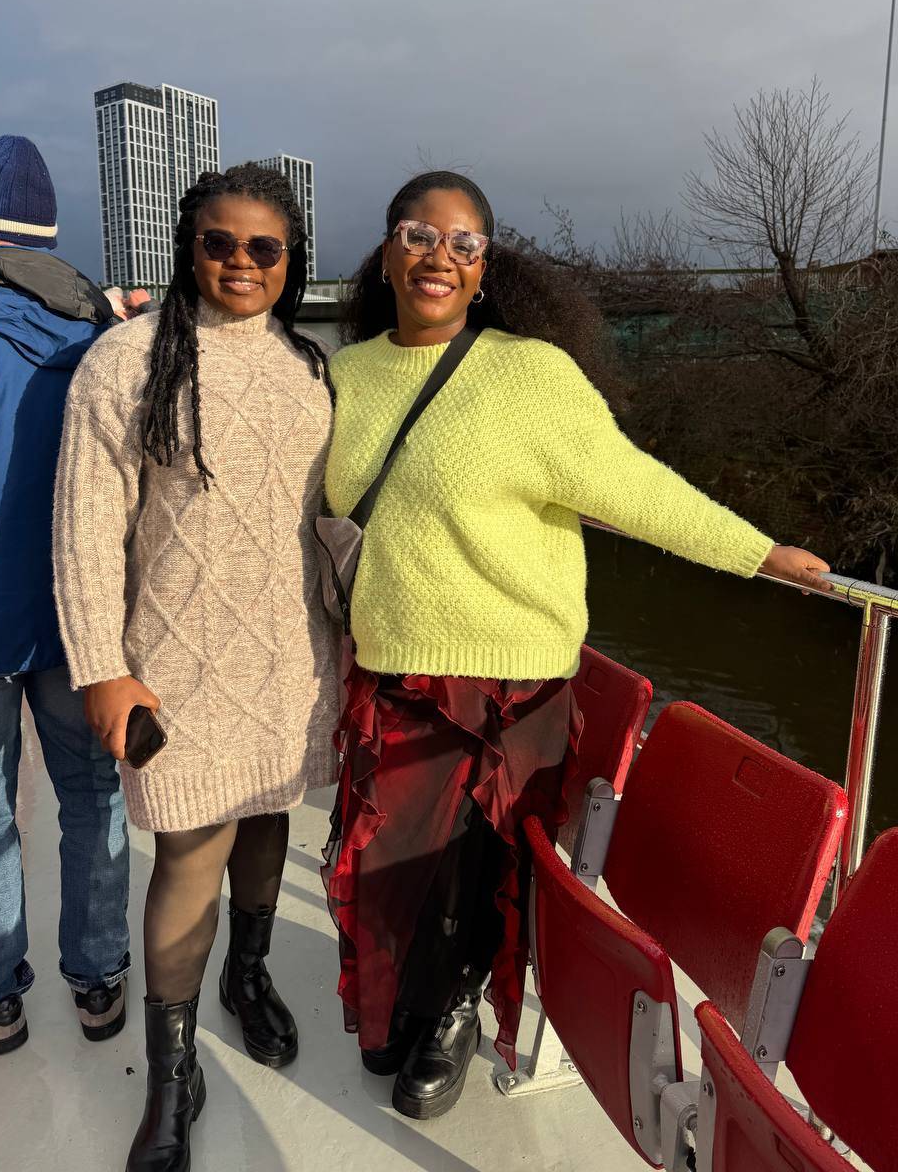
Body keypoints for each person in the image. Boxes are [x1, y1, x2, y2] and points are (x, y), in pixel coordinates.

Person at [322, 170, 832, 1121]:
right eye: (418, 234)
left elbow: (633, 488)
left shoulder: (531, 375)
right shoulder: (345, 374)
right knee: (393, 863)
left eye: (464, 243)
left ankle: (452, 1015)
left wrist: (758, 552)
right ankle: (398, 1007)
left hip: (511, 680)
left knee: (477, 871)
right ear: (386, 252)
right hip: (393, 666)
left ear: (486, 268)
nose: (439, 257)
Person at [53, 163, 338, 1171]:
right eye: (220, 242)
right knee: (188, 852)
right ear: (189, 246)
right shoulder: (126, 361)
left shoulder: (308, 368)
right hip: (174, 664)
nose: (241, 262)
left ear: (290, 259)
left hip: (293, 658)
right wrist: (100, 666)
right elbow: (86, 529)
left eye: (265, 247)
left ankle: (246, 975)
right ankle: (172, 1072)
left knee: (268, 816)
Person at [0, 135, 130, 1055]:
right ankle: (100, 982)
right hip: (79, 623)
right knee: (92, 799)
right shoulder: (105, 336)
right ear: (49, 237)